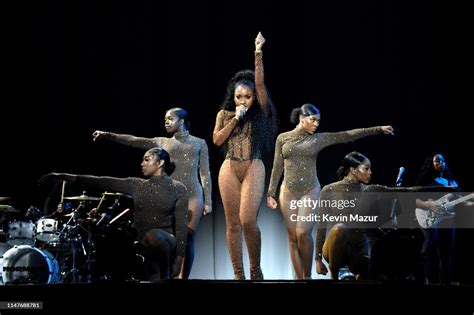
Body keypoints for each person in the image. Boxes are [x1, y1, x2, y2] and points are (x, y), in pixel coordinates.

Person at [266, 104, 394, 279]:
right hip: (287, 189)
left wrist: (378, 129)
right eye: (313, 120)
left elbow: (347, 135)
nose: (317, 124)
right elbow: (277, 167)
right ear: (302, 119)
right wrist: (271, 193)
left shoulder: (318, 139)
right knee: (292, 237)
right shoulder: (283, 138)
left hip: (310, 188)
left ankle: (307, 276)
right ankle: (298, 279)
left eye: (318, 121)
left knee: (302, 233)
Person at [92, 107, 211, 279]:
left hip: (193, 194)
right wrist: (108, 135)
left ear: (182, 121)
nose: (166, 122)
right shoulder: (162, 142)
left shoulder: (199, 143)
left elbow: (205, 173)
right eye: (165, 119)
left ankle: (183, 278)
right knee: (172, 237)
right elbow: (133, 140)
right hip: (172, 194)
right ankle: (166, 273)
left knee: (187, 236)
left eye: (170, 118)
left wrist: (208, 202)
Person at [39, 147, 188, 281]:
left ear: (160, 163)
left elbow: (182, 226)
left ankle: (166, 274)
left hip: (166, 240)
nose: (142, 163)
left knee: (154, 235)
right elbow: (101, 181)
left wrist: (179, 261)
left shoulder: (178, 188)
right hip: (141, 241)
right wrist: (63, 176)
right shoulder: (137, 185)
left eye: (147, 160)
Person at [213, 32, 277, 280]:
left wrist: (258, 51)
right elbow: (217, 140)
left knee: (248, 220)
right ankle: (238, 274)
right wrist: (234, 120)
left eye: (247, 97)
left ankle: (255, 269)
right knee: (232, 224)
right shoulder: (224, 114)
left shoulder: (260, 112)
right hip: (229, 168)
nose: (243, 100)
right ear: (233, 96)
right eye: (239, 97)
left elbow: (260, 85)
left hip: (253, 166)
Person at [315, 151, 436, 280]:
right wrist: (318, 259)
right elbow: (321, 226)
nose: (370, 172)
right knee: (340, 228)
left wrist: (430, 198)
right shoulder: (329, 190)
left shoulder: (369, 190)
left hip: (358, 250)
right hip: (336, 247)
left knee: (371, 271)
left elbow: (401, 192)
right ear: (353, 170)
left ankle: (360, 274)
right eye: (366, 168)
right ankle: (334, 277)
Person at [415, 152, 470, 284]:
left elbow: (462, 201)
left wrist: (469, 202)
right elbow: (414, 200)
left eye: (443, 161)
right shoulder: (425, 181)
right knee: (427, 251)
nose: (441, 163)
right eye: (437, 161)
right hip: (430, 218)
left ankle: (446, 282)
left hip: (448, 219)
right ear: (431, 163)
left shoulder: (452, 182)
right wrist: (428, 204)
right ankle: (423, 280)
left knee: (447, 253)